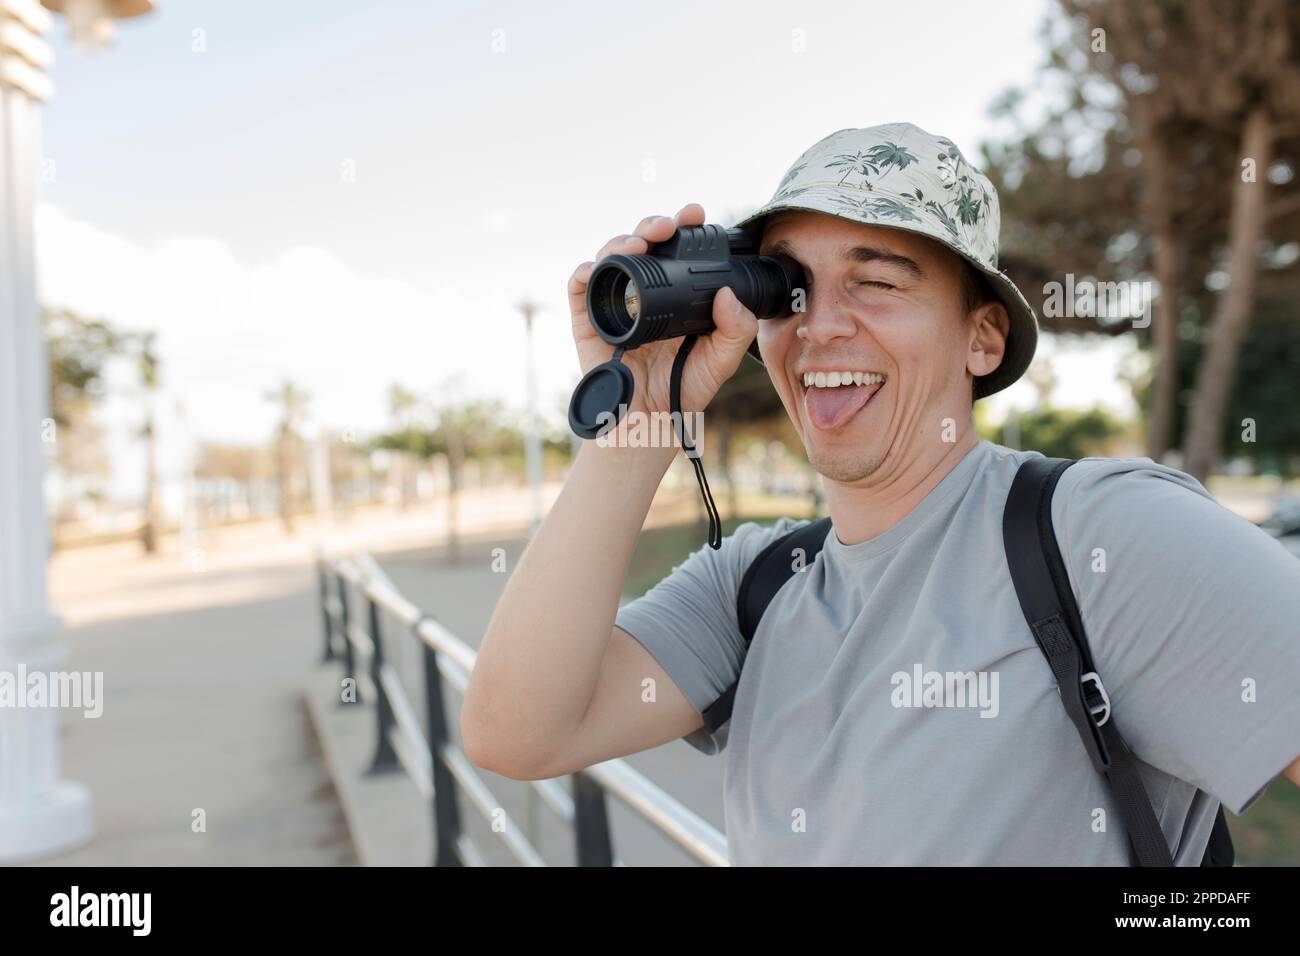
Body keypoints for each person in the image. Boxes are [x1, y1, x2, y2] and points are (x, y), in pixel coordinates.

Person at [462, 122, 1300, 865]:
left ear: (981, 338)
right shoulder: (752, 587)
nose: (821, 325)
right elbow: (516, 732)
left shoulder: (1103, 535)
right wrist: (638, 422)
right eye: (789, 289)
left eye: (879, 281)